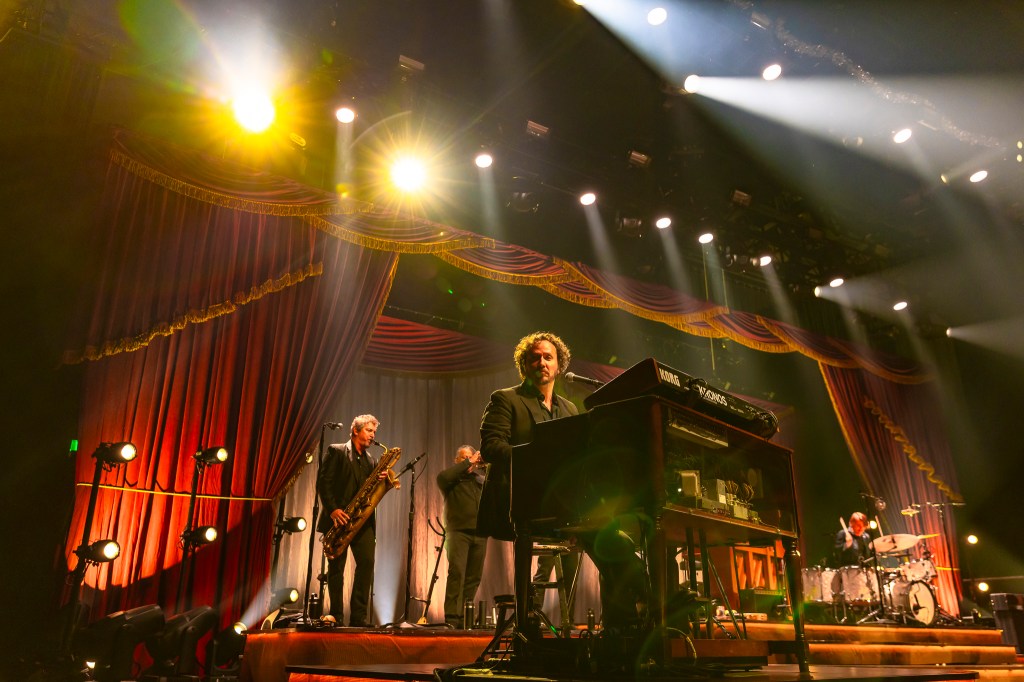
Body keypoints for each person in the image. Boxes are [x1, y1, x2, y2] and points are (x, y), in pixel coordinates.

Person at [478, 331, 646, 631]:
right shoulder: (506, 399)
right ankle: (529, 630)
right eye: (535, 357)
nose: (541, 362)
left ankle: (624, 626)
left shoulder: (569, 409)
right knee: (607, 541)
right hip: (523, 502)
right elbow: (492, 447)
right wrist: (539, 461)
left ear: (559, 366)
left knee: (615, 545)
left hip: (563, 506)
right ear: (524, 365)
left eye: (548, 357)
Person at [317, 414, 383, 626]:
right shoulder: (336, 451)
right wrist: (333, 510)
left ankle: (359, 618)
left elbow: (369, 492)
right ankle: (336, 614)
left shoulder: (371, 460)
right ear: (356, 430)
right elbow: (324, 483)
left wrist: (380, 481)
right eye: (369, 431)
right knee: (336, 570)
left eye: (374, 432)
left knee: (367, 563)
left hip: (361, 523)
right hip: (338, 521)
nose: (373, 436)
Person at [437, 444, 489, 628]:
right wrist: (471, 460)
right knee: (457, 573)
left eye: (471, 457)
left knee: (473, 578)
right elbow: (443, 477)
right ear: (457, 461)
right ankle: (452, 616)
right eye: (464, 458)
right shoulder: (450, 479)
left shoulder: (479, 480)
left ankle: (463, 617)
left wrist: (486, 465)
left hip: (480, 534)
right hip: (458, 532)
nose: (469, 460)